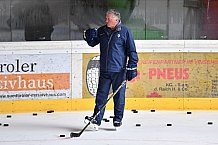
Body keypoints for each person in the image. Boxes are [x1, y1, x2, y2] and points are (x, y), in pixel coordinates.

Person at [83, 9, 138, 130]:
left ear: (116, 19)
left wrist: (132, 68)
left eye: (108, 18)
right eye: (106, 18)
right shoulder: (102, 31)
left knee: (119, 96)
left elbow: (132, 51)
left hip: (119, 71)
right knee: (101, 96)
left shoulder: (125, 31)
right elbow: (93, 43)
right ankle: (97, 119)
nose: (106, 20)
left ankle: (118, 119)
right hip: (105, 70)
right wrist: (87, 36)